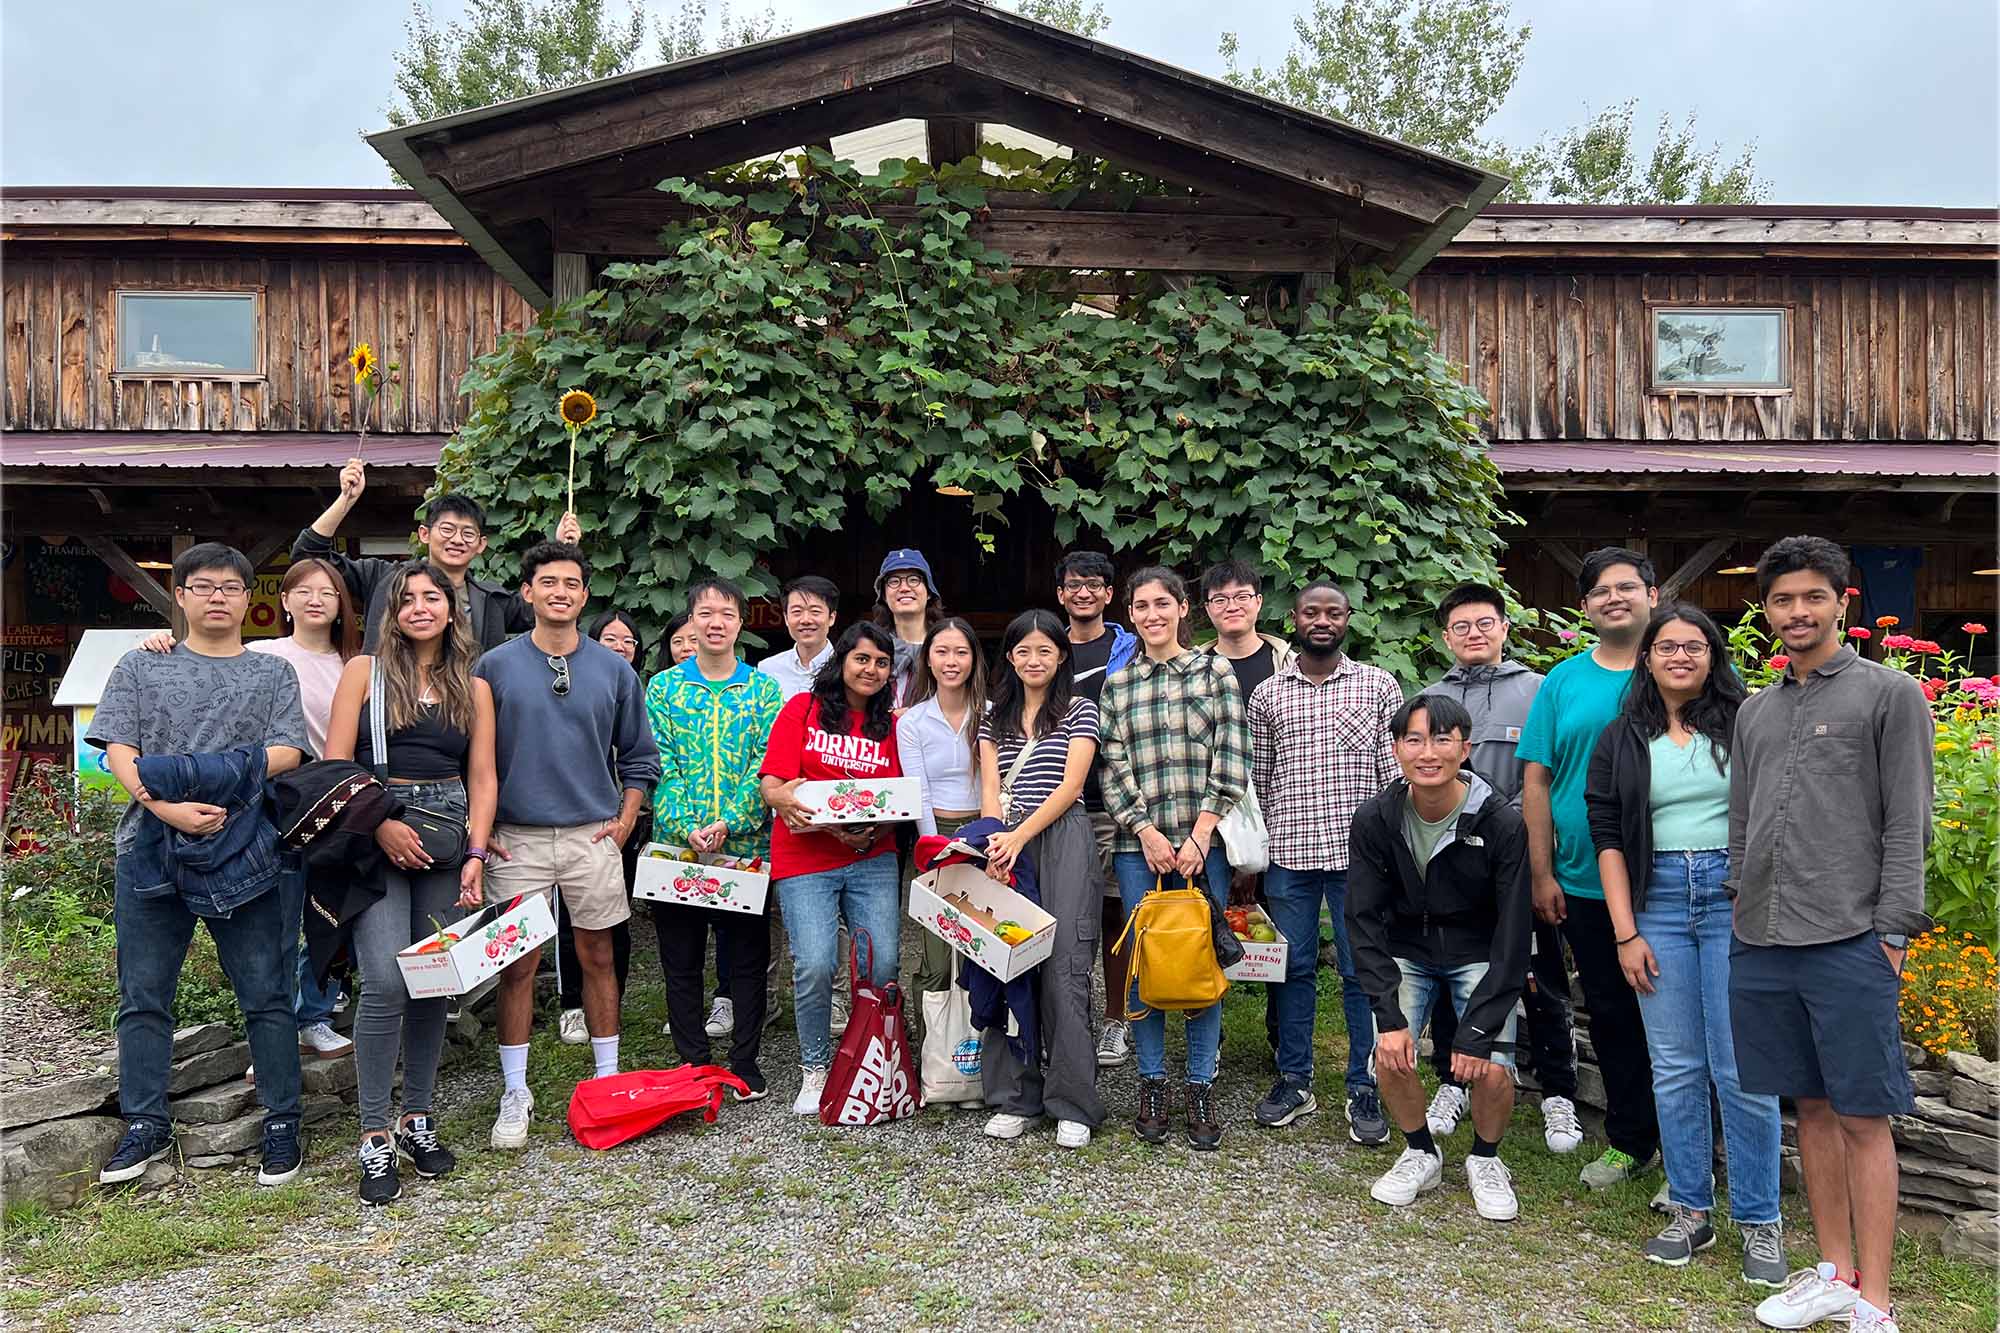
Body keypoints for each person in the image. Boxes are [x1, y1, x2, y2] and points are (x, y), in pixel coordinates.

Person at [1731, 537, 1931, 1333]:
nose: (1797, 612)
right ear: (1768, 609)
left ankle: (1875, 1302)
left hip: (1852, 936)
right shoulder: (1756, 708)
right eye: (1782, 599)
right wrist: (1740, 898)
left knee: (1861, 1116)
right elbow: (1743, 820)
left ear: (1841, 602)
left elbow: (1908, 820)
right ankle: (1833, 1272)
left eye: (1812, 596)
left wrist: (1892, 932)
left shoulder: (1890, 695)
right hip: (1766, 936)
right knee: (1807, 1110)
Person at [89, 543, 311, 1187]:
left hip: (246, 849)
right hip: (150, 848)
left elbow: (287, 754)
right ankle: (146, 1124)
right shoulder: (141, 665)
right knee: (144, 995)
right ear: (180, 595)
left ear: (249, 599)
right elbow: (120, 751)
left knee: (266, 993)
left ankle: (281, 1121)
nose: (218, 596)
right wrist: (166, 806)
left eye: (231, 587)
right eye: (204, 586)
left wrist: (197, 784)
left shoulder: (272, 674)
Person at [1586, 604, 1785, 1282]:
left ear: (1713, 655)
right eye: (1666, 645)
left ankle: (1761, 1221)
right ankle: (1691, 1210)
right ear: (1647, 657)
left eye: (1693, 646)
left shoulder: (1747, 722)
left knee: (1742, 1068)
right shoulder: (1620, 737)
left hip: (1735, 898)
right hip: (1658, 901)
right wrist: (1626, 931)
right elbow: (1607, 835)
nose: (1679, 656)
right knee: (1673, 1064)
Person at [472, 542, 660, 1150]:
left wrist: (627, 818)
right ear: (526, 593)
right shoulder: (494, 667)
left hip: (591, 832)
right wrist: (483, 830)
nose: (560, 592)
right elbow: (474, 760)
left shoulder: (615, 670)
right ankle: (515, 1090)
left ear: (584, 596)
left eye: (572, 583)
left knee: (599, 955)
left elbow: (638, 755)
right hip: (516, 839)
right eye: (547, 582)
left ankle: (607, 1078)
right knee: (518, 966)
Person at [139, 556, 363, 1058]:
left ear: (342, 605)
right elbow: (204, 657)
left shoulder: (358, 662)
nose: (315, 600)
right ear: (283, 601)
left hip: (339, 807)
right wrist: (157, 644)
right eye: (303, 592)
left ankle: (316, 1014)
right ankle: (273, 1036)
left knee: (332, 916)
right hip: (274, 805)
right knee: (279, 921)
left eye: (328, 593)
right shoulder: (263, 654)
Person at [323, 562, 497, 1204]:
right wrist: (380, 827)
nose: (420, 607)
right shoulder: (362, 673)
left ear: (452, 611)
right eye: (407, 599)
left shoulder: (470, 685)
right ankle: (373, 1132)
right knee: (384, 981)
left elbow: (482, 777)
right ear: (389, 612)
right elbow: (337, 769)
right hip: (376, 833)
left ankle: (416, 1118)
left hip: (450, 835)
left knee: (433, 982)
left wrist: (478, 851)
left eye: (433, 597)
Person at [1348, 694, 1529, 1224]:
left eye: (1442, 739)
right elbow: (1361, 919)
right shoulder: (1377, 819)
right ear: (1397, 749)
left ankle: (1486, 1159)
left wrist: (1475, 1034)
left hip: (1480, 950)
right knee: (1390, 1052)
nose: (1428, 753)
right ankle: (1420, 1150)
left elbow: (1515, 933)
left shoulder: (1499, 822)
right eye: (1414, 740)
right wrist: (1388, 1015)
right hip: (1408, 947)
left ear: (1465, 748)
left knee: (1492, 1067)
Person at [1518, 546, 1664, 1191]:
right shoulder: (1564, 682)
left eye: (1626, 587)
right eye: (1601, 591)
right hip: (1580, 878)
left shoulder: (1680, 665)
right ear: (1585, 608)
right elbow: (1537, 778)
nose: (1615, 598)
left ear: (1652, 596)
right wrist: (1542, 872)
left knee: (1683, 1013)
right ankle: (1633, 1140)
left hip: (1671, 875)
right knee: (1609, 1010)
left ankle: (1695, 1149)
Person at [1420, 583, 1582, 1156]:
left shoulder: (1539, 691)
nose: (1474, 634)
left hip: (1525, 857)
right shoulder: (1432, 698)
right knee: (1453, 970)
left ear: (1505, 628)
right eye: (1461, 626)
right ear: (1446, 637)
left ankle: (1558, 1090)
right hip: (1456, 861)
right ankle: (1453, 1079)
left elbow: (1554, 779)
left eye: (1484, 623)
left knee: (1538, 974)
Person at [1098, 567, 1249, 1151]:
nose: (1152, 614)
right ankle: (1153, 1081)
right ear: (1131, 614)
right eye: (1141, 606)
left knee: (1198, 961)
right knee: (1149, 961)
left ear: (1183, 609)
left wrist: (1200, 831)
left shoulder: (1215, 672)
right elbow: (1112, 769)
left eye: (1163, 603)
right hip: (1140, 848)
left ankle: (1201, 1084)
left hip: (1201, 844)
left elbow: (1232, 754)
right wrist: (1146, 830)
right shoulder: (1119, 685)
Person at [1245, 581, 1400, 1143]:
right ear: (1295, 618)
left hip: (1361, 859)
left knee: (1362, 973)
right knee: (1293, 968)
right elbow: (1259, 779)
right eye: (1312, 611)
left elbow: (1394, 777)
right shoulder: (1267, 694)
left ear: (1348, 620)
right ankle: (1295, 1079)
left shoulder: (1378, 685)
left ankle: (1364, 1086)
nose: (1323, 620)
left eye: (1334, 612)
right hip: (1288, 855)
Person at [759, 623, 910, 1115]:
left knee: (882, 963)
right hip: (806, 860)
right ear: (841, 661)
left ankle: (871, 1056)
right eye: (862, 659)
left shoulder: (892, 725)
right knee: (817, 963)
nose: (871, 670)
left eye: (881, 662)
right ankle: (816, 1067)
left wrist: (871, 827)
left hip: (873, 857)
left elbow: (903, 796)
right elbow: (773, 786)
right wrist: (805, 810)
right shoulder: (802, 710)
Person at [645, 579, 784, 1096]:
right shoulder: (663, 688)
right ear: (692, 622)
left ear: (741, 623)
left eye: (726, 613)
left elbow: (765, 764)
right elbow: (660, 761)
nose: (716, 622)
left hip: (743, 848)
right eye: (705, 613)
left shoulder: (762, 689)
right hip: (678, 848)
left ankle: (745, 1059)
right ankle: (693, 1061)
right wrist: (688, 825)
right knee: (680, 959)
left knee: (745, 959)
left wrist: (731, 821)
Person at [976, 610, 1107, 1149]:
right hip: (1005, 844)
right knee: (1007, 964)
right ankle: (1015, 1097)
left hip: (1062, 839)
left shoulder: (1080, 710)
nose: (1034, 661)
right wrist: (993, 842)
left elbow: (1072, 786)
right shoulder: (994, 716)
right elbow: (988, 785)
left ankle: (1072, 1101)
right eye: (1023, 651)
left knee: (1065, 969)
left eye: (1045, 652)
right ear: (1010, 657)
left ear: (1060, 658)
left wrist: (1018, 835)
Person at [291, 458, 579, 652]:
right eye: (447, 529)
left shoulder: (490, 601)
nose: (457, 540)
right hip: (392, 714)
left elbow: (545, 608)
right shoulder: (383, 578)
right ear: (425, 534)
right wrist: (346, 500)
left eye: (467, 534)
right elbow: (308, 556)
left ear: (481, 545)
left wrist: (562, 549)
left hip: (466, 721)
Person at [1054, 550, 1139, 1070]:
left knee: (1113, 911)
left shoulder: (1128, 649)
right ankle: (1064, 1015)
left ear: (1109, 595)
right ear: (1060, 594)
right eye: (1073, 584)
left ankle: (1116, 1020)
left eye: (1094, 585)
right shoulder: (1045, 646)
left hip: (1113, 799)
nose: (1083, 592)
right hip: (1055, 800)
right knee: (1060, 912)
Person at [553, 610, 646, 1044]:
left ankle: (610, 1001)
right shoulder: (572, 685)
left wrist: (627, 818)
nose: (622, 647)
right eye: (611, 638)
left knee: (614, 917)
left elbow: (640, 757)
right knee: (569, 921)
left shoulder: (635, 689)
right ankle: (572, 1003)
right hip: (569, 820)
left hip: (618, 821)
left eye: (630, 641)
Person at [900, 618, 989, 1008]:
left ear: (973, 659)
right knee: (938, 948)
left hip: (985, 831)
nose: (951, 661)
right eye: (942, 651)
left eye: (961, 651)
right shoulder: (913, 721)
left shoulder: (991, 713)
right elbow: (917, 791)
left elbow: (995, 783)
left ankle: (987, 1054)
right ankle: (936, 1057)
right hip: (935, 832)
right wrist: (935, 847)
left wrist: (989, 837)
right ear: (928, 660)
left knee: (985, 941)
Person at [1198, 559, 1293, 704]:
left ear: (1258, 602)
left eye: (1242, 597)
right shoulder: (1194, 668)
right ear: (1207, 608)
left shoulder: (1289, 664)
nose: (1232, 607)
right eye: (1220, 600)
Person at [871, 549, 942, 706]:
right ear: (883, 594)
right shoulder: (871, 648)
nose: (904, 588)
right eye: (894, 581)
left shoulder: (947, 646)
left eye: (914, 580)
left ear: (929, 591)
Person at [758, 576, 839, 701]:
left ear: (831, 618)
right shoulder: (768, 670)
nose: (805, 620)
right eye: (797, 612)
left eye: (815, 611)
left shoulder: (844, 668)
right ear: (786, 618)